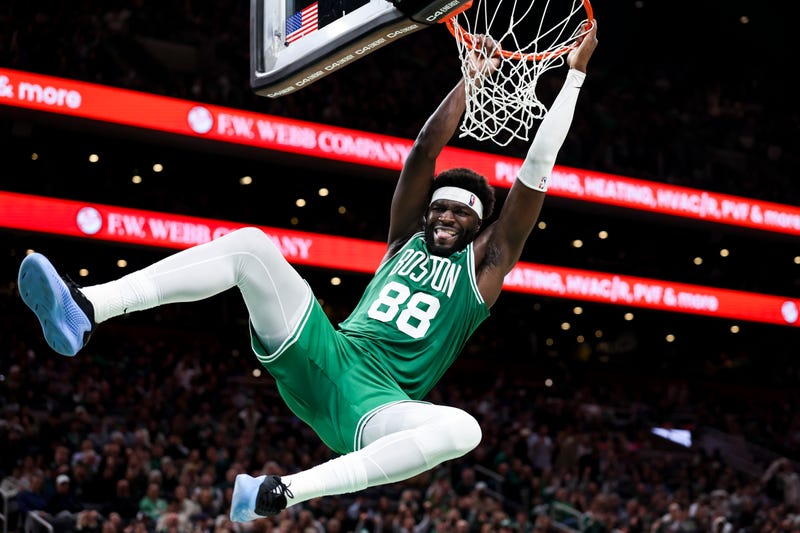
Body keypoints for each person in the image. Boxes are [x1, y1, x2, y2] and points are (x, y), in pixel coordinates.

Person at [17, 22, 599, 522]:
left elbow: (536, 171)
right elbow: (424, 150)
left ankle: (280, 492)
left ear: (481, 227)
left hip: (376, 407)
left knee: (463, 430)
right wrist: (472, 76)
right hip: (325, 350)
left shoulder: (486, 268)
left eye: (461, 212)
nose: (446, 215)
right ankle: (87, 308)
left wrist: (572, 76)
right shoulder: (402, 240)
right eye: (439, 206)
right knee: (250, 246)